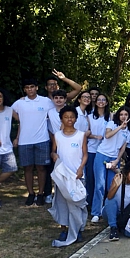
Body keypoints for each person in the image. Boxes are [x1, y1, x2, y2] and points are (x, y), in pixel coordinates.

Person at [49, 105, 88, 247]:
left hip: (76, 175)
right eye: (66, 117)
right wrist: (54, 155)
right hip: (62, 176)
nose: (69, 119)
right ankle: (64, 229)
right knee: (62, 203)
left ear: (76, 119)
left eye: (72, 117)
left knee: (77, 203)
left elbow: (85, 154)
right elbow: (53, 151)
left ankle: (78, 229)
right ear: (61, 119)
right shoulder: (57, 135)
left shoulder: (81, 135)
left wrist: (81, 168)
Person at [12, 78, 54, 207]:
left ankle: (40, 194)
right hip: (25, 141)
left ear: (36, 87)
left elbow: (55, 113)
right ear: (24, 89)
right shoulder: (20, 103)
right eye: (27, 87)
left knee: (41, 168)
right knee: (28, 168)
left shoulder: (46, 101)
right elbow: (10, 111)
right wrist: (21, 119)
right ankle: (31, 194)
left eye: (32, 86)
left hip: (42, 140)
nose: (30, 89)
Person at [91, 106, 130, 223]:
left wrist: (117, 160)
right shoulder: (112, 124)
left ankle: (108, 210)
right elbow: (107, 135)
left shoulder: (129, 132)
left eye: (126, 115)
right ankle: (96, 212)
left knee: (113, 186)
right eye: (121, 114)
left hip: (114, 159)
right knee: (100, 185)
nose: (123, 117)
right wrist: (120, 127)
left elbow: (122, 148)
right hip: (102, 155)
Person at [103, 161, 130, 241]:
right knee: (110, 201)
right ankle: (113, 228)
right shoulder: (118, 177)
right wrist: (117, 185)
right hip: (111, 210)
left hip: (124, 213)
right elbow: (109, 197)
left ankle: (120, 228)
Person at [85, 93, 110, 206]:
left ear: (107, 102)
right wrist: (95, 136)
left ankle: (103, 203)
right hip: (92, 150)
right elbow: (86, 134)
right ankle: (90, 202)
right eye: (99, 100)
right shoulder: (89, 117)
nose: (101, 102)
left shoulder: (110, 116)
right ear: (95, 102)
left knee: (103, 179)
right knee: (91, 177)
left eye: (103, 100)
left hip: (105, 151)